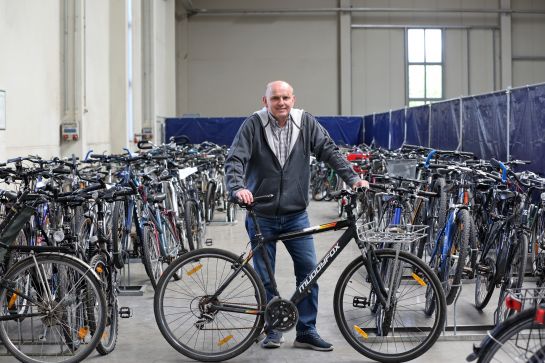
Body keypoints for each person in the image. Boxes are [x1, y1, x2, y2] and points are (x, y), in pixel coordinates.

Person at [225, 80, 368, 352]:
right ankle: (273, 328)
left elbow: (329, 151)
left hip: (295, 214)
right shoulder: (253, 124)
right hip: (262, 213)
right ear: (265, 101)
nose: (281, 102)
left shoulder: (306, 123)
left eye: (286, 98)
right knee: (265, 276)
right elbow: (235, 159)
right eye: (275, 98)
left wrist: (352, 179)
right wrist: (238, 187)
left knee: (308, 271)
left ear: (293, 99)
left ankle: (306, 330)